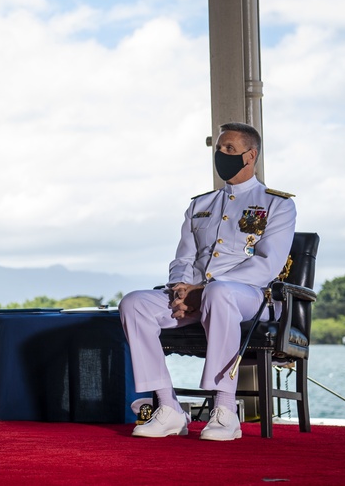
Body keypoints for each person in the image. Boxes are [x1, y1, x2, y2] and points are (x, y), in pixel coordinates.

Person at [118, 122, 296, 441]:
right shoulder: (200, 205)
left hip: (251, 299)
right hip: (201, 296)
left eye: (229, 149)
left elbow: (267, 264)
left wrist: (203, 290)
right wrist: (180, 290)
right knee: (134, 303)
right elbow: (184, 259)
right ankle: (168, 406)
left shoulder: (277, 204)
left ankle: (225, 411)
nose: (221, 155)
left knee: (220, 291)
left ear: (250, 155)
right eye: (218, 149)